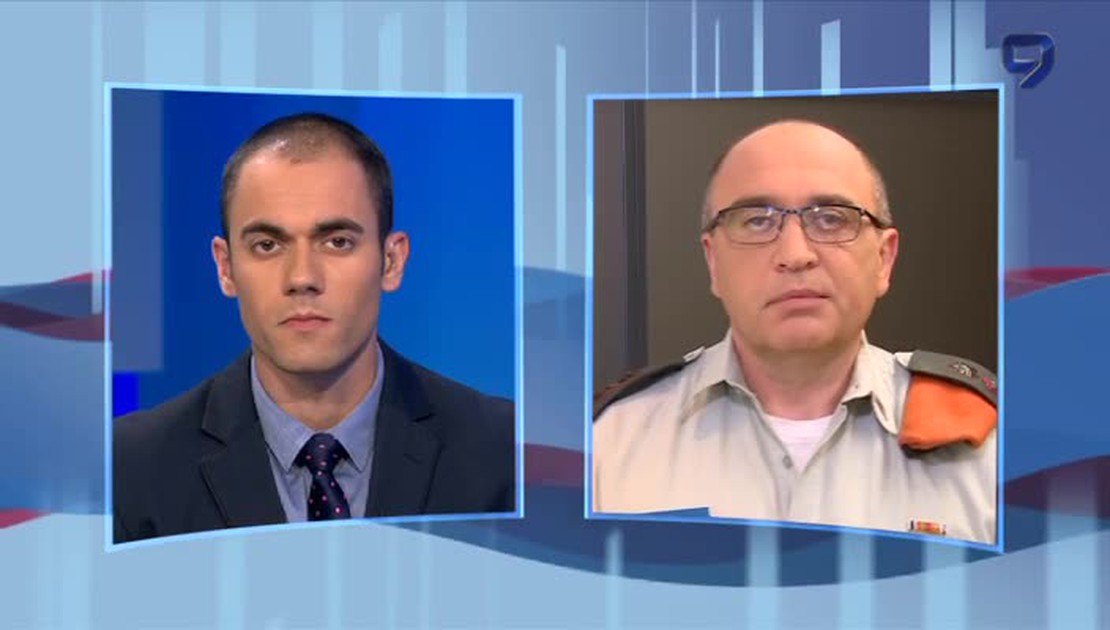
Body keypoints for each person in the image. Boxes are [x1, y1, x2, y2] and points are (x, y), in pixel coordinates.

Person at [114, 113, 515, 543]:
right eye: (267, 245)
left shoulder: (505, 452)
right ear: (225, 268)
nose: (302, 277)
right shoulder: (129, 468)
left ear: (391, 261)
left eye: (337, 242)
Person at [592, 120, 997, 544]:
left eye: (832, 219)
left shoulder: (992, 449)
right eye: (755, 221)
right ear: (713, 262)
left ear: (884, 259)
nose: (795, 254)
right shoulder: (607, 445)